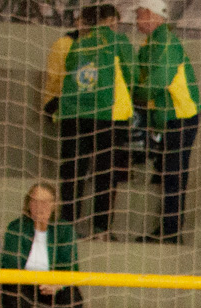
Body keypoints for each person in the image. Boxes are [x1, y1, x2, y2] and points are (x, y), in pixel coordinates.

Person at [52, 3, 134, 239]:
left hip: (72, 115)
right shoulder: (119, 42)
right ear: (110, 21)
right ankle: (101, 229)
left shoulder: (77, 45)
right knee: (106, 174)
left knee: (72, 173)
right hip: (107, 116)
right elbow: (131, 74)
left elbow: (68, 72)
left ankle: (67, 227)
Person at [132, 0, 201, 243]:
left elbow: (159, 79)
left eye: (140, 12)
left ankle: (170, 232)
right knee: (167, 174)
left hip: (180, 117)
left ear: (152, 15)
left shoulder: (166, 43)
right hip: (166, 118)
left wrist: (133, 93)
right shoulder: (151, 43)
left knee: (174, 174)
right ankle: (166, 229)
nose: (136, 17)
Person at [1, 182, 82, 308]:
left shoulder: (64, 230)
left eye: (46, 202)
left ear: (54, 205)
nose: (40, 207)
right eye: (35, 201)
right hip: (24, 283)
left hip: (53, 284)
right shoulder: (17, 227)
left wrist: (57, 284)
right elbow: (10, 262)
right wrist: (31, 280)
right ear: (28, 203)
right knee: (12, 292)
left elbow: (71, 266)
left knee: (73, 297)